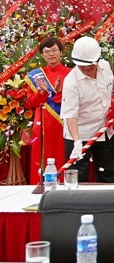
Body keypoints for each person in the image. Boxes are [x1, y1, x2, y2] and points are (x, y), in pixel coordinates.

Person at [61, 36, 114, 183]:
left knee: (107, 171)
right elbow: (70, 115)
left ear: (97, 60)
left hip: (105, 128)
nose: (86, 69)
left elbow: (109, 80)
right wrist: (77, 142)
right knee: (79, 175)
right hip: (80, 132)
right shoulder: (71, 83)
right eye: (82, 66)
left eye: (90, 66)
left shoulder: (105, 66)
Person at [24, 36, 72, 184]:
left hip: (65, 122)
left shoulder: (72, 73)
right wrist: (42, 93)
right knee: (42, 156)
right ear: (42, 54)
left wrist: (58, 93)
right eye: (47, 51)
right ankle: (41, 186)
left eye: (54, 50)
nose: (51, 54)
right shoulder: (36, 76)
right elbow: (30, 103)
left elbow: (77, 99)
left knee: (64, 154)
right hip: (43, 123)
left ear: (61, 52)